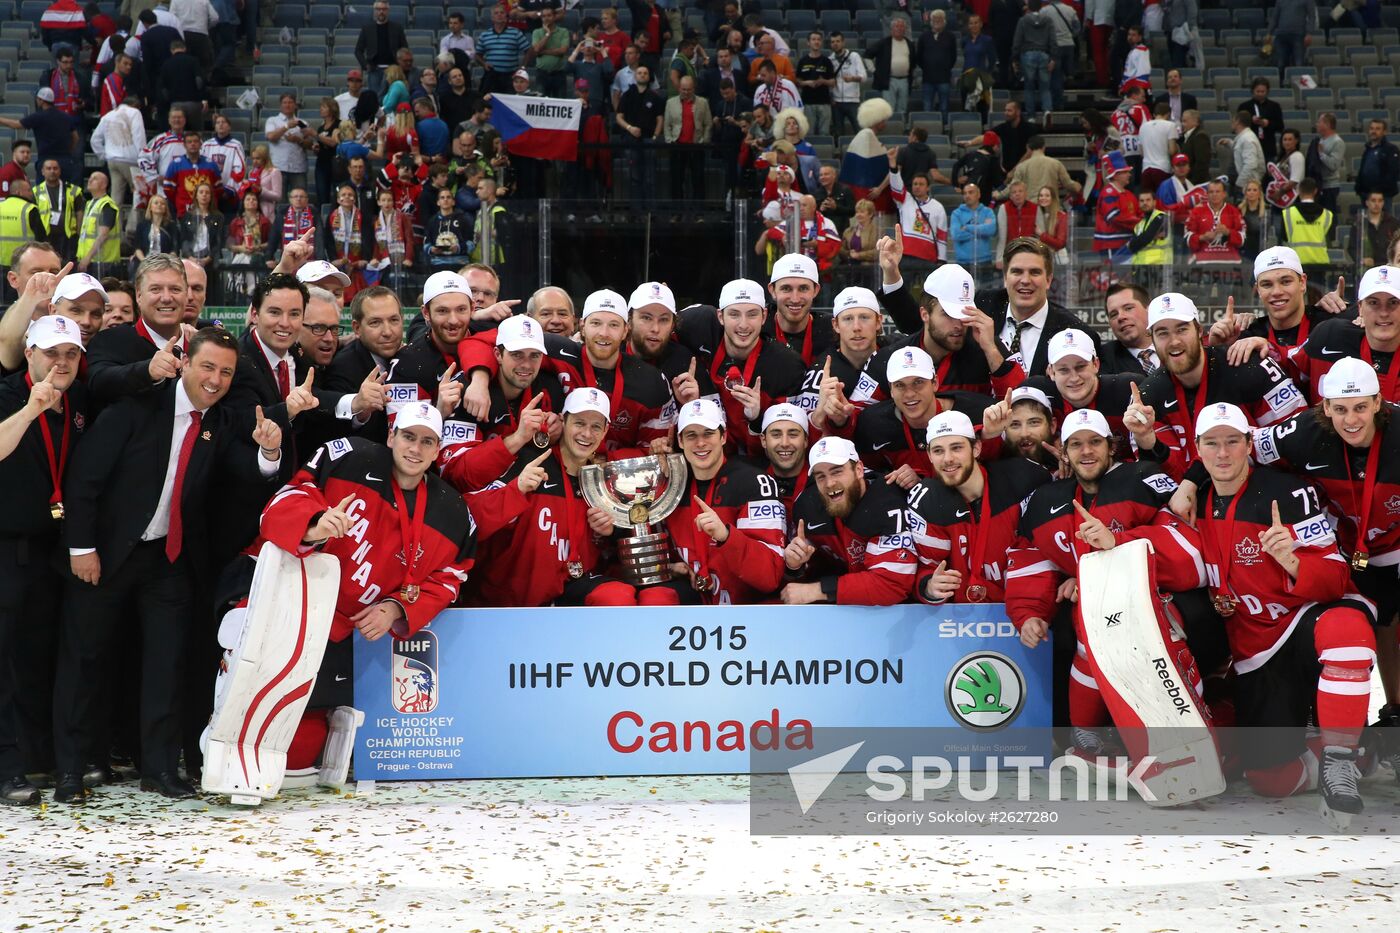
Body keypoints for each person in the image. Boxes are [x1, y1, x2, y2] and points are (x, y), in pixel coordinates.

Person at [55, 328, 288, 802]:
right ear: (185, 363)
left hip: (169, 559)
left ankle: (160, 769)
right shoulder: (135, 408)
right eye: (208, 367)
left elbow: (244, 474)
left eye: (226, 372)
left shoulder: (219, 421)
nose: (216, 379)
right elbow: (83, 479)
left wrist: (269, 452)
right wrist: (82, 549)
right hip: (105, 554)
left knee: (168, 664)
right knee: (85, 660)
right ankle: (70, 771)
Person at [206, 400, 476, 798]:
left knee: (300, 754)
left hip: (342, 629)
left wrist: (397, 607)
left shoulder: (452, 511)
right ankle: (224, 737)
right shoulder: (348, 456)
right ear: (391, 436)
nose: (415, 449)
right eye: (408, 437)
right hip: (284, 596)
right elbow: (289, 496)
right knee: (246, 675)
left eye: (426, 441)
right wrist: (313, 524)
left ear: (437, 450)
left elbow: (452, 576)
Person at [1188, 400, 1373, 823]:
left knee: (1347, 627)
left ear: (1249, 443)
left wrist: (1292, 561)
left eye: (1232, 441)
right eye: (1212, 443)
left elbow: (1335, 578)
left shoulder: (1288, 493)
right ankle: (1360, 750)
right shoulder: (1192, 500)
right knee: (1270, 780)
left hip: (1302, 622)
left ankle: (1341, 759)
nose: (1223, 453)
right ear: (1197, 449)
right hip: (1256, 648)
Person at [1005, 406, 1209, 754]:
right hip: (1094, 609)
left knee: (1143, 634)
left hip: (1162, 600)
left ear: (1111, 446)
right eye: (1076, 444)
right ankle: (1087, 731)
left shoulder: (1143, 478)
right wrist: (1029, 614)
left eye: (1095, 442)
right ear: (1064, 452)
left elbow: (1189, 549)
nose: (1086, 451)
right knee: (1089, 634)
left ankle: (1183, 729)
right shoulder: (1044, 501)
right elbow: (1031, 558)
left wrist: (1113, 552)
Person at [0, 308, 88, 806]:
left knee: (43, 658)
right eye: (51, 352)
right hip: (7, 546)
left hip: (55, 550)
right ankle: (7, 768)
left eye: (70, 353)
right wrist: (31, 410)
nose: (61, 362)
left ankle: (39, 755)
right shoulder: (8, 395)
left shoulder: (79, 402)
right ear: (29, 353)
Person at [1129, 292, 1307, 479]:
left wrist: (1237, 442)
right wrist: (1149, 442)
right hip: (1195, 495)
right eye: (1162, 333)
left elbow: (1299, 435)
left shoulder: (1247, 365)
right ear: (1152, 339)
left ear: (1199, 331)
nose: (1174, 341)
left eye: (1182, 329)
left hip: (1263, 484)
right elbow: (1174, 475)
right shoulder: (1148, 396)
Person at [911, 410, 1052, 605]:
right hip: (963, 616)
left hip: (1025, 609)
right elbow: (926, 568)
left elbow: (1049, 554)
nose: (947, 458)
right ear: (929, 455)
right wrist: (929, 587)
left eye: (956, 448)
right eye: (938, 451)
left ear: (976, 448)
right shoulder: (927, 499)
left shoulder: (1022, 480)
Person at [781, 436, 918, 605]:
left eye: (837, 472)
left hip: (903, 611)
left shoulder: (888, 500)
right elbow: (805, 575)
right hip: (842, 607)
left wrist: (820, 590)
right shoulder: (806, 507)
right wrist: (794, 565)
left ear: (859, 469)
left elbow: (891, 585)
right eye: (820, 476)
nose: (829, 483)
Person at [1288, 264, 1400, 404]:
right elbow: (1284, 367)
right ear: (1360, 308)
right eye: (1373, 302)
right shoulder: (1330, 336)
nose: (1383, 313)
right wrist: (1262, 343)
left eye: (1393, 302)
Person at [887, 152, 947, 265]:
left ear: (928, 188)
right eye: (915, 184)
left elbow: (941, 236)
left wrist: (942, 259)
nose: (917, 186)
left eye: (921, 184)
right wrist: (893, 163)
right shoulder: (905, 200)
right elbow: (896, 186)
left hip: (928, 257)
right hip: (906, 255)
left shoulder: (938, 207)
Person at [663, 75, 710, 201]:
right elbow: (667, 125)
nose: (686, 92)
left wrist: (704, 141)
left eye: (689, 89)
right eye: (683, 89)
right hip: (677, 145)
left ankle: (698, 210)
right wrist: (669, 140)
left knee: (698, 179)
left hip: (696, 145)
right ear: (679, 88)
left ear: (694, 88)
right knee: (676, 180)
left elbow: (708, 124)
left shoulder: (703, 102)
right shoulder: (670, 103)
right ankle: (677, 209)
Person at [1098, 282, 1159, 375]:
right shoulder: (1104, 360)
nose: (1120, 317)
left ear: (1149, 309)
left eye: (1128, 308)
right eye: (1113, 314)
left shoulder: (1172, 345)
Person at [1011, 0, 1054, 121]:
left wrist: (1014, 57)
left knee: (1029, 87)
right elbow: (1053, 40)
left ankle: (1031, 116)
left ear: (1028, 7)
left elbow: (1017, 40)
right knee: (1045, 87)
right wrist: (1053, 58)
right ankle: (1047, 110)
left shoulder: (1023, 20)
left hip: (1028, 55)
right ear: (1041, 6)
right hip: (1044, 54)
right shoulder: (1048, 20)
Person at [33, 157, 83, 262]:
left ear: (60, 171)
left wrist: (78, 234)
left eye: (55, 168)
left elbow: (79, 212)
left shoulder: (72, 190)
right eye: (49, 168)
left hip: (68, 238)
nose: (52, 171)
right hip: (45, 238)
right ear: (43, 171)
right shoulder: (36, 191)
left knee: (67, 266)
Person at [1093, 151, 1140, 263]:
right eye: (1125, 172)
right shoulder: (1108, 193)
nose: (1129, 174)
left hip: (1126, 243)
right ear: (1115, 175)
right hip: (1111, 244)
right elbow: (1113, 217)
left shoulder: (1129, 194)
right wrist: (1139, 223)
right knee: (1113, 273)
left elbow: (1139, 213)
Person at [355, 0, 409, 96]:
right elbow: (358, 50)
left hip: (393, 69)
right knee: (375, 98)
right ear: (374, 11)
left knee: (393, 97)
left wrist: (400, 66)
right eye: (378, 9)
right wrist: (366, 65)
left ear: (388, 11)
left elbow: (404, 49)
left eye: (384, 9)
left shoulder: (397, 28)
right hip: (374, 70)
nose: (381, 12)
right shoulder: (367, 28)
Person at [1186, 179, 1245, 266]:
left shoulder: (1234, 211)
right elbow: (1187, 239)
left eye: (1217, 191)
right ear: (1207, 194)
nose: (1214, 194)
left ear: (1224, 194)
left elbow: (1242, 240)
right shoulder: (1197, 212)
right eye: (1211, 192)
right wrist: (1202, 237)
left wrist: (1228, 232)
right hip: (1202, 262)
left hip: (1231, 262)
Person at [265, 94, 314, 197]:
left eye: (290, 102)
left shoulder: (302, 123)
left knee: (300, 199)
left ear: (295, 105)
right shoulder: (272, 120)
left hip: (298, 168)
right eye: (285, 102)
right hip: (278, 167)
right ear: (280, 105)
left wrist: (298, 140)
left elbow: (310, 145)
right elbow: (271, 137)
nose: (287, 105)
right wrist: (286, 126)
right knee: (278, 200)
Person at [162, 130, 219, 218]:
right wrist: (180, 202)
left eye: (196, 141)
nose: (193, 144)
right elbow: (168, 190)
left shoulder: (211, 165)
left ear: (200, 144)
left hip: (208, 213)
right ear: (184, 145)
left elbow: (218, 189)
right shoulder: (175, 165)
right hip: (183, 213)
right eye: (189, 142)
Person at [869, 15, 914, 116]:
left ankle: (901, 125)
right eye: (897, 26)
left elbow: (913, 62)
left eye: (902, 26)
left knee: (903, 108)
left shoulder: (910, 44)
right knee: (889, 108)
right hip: (889, 80)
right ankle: (890, 125)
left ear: (905, 29)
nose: (899, 28)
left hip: (905, 80)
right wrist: (874, 71)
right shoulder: (884, 43)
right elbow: (867, 55)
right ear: (892, 29)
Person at [75, 172, 118, 278]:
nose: (90, 180)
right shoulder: (90, 204)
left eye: (94, 179)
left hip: (102, 263)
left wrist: (88, 257)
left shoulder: (107, 205)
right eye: (90, 177)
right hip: (90, 260)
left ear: (104, 185)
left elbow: (103, 235)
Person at [794, 31, 834, 138]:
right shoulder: (803, 61)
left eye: (818, 39)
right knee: (808, 133)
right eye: (813, 39)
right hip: (808, 102)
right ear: (808, 42)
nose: (816, 42)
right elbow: (797, 82)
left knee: (825, 134)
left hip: (824, 102)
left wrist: (823, 81)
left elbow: (833, 82)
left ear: (821, 42)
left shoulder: (827, 61)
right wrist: (806, 83)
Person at [1356, 118, 1400, 212]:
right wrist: (1359, 188)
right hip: (1366, 194)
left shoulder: (1391, 149)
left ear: (1384, 132)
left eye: (1377, 129)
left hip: (1383, 196)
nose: (1374, 131)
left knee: (1384, 220)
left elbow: (1393, 173)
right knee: (1367, 220)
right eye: (1372, 128)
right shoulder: (1367, 149)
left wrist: (1378, 190)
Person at [828, 31, 865, 140]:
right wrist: (831, 97)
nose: (835, 44)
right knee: (838, 134)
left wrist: (852, 78)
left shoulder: (854, 56)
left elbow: (864, 77)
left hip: (852, 101)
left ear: (843, 42)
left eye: (838, 41)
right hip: (836, 102)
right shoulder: (829, 60)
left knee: (860, 131)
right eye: (833, 42)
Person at [950, 183, 997, 268]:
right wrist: (981, 229)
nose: (967, 195)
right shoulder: (956, 213)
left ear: (978, 195)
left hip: (984, 261)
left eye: (971, 192)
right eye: (965, 193)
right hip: (963, 262)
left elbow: (990, 230)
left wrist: (967, 227)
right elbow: (956, 234)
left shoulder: (988, 212)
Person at [1266, 0, 1318, 77]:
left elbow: (1312, 17)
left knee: (1298, 65)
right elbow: (1275, 18)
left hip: (1299, 35)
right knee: (1280, 64)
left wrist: (1309, 33)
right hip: (1281, 35)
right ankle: (1281, 84)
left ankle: (1297, 84)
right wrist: (1269, 32)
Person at [993, 182, 1038, 271]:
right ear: (1010, 196)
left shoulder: (1035, 208)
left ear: (1026, 193)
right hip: (1011, 254)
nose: (1017, 194)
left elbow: (1039, 236)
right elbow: (1002, 237)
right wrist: (999, 258)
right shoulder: (1004, 208)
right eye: (1014, 192)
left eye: (1020, 191)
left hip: (1031, 254)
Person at [1308, 113, 1346, 213]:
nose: (1316, 124)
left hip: (1329, 187)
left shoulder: (1337, 142)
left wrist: (1321, 154)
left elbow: (1334, 165)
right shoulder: (1319, 141)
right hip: (1318, 185)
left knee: (1329, 216)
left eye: (1319, 122)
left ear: (1327, 125)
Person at [1138, 103, 1177, 193]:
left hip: (1146, 169)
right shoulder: (1170, 125)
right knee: (1162, 198)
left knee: (1148, 198)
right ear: (1168, 114)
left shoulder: (1143, 126)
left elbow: (1141, 152)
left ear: (1154, 114)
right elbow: (1172, 151)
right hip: (1163, 168)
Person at [1361, 192, 1400, 269]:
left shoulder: (1394, 223)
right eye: (1373, 200)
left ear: (1383, 203)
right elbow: (1352, 247)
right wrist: (1362, 260)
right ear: (1367, 203)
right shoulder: (1360, 223)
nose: (1377, 204)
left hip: (1389, 266)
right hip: (1366, 267)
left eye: (1380, 200)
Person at [1034, 185, 1068, 264]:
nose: (1043, 198)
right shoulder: (1036, 215)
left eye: (1047, 195)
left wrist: (1042, 235)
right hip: (1039, 257)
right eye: (1041, 195)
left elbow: (1060, 243)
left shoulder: (1061, 216)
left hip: (1056, 259)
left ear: (1053, 198)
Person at [841, 198, 878, 265]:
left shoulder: (876, 231)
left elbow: (878, 252)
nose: (858, 215)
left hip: (869, 267)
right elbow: (841, 249)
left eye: (862, 212)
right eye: (857, 212)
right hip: (850, 266)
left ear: (870, 214)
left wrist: (859, 255)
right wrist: (848, 253)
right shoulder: (848, 231)